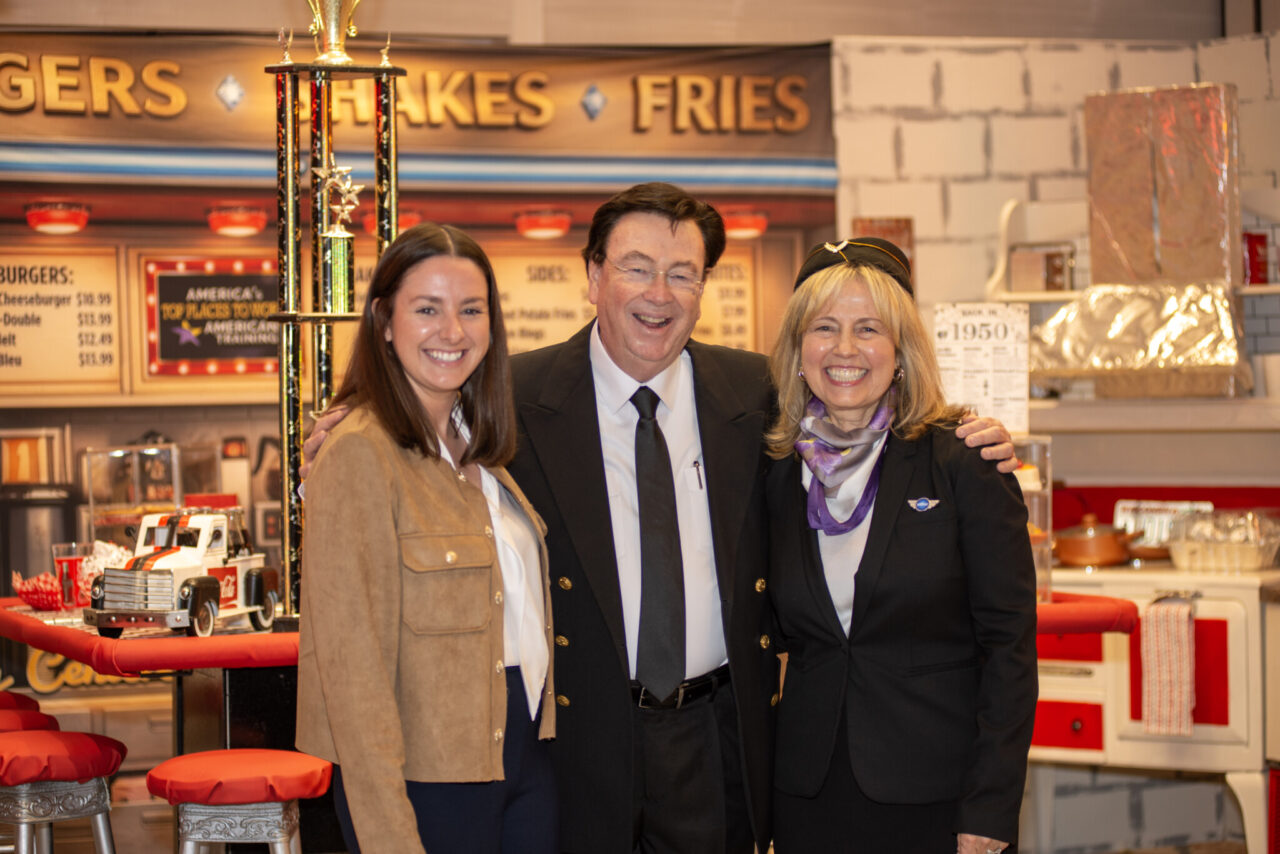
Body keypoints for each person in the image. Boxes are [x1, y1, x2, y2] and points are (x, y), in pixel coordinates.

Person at [306, 184, 1019, 853]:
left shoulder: (758, 395)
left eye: (683, 273)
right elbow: (419, 415)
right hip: (579, 745)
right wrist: (350, 426)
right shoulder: (514, 399)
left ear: (703, 289)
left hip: (717, 739)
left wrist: (967, 434)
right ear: (593, 276)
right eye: (637, 268)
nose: (659, 294)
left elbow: (856, 403)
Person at [763, 238, 1038, 854]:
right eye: (824, 327)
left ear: (901, 351)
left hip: (937, 797)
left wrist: (991, 809)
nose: (845, 348)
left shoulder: (962, 462)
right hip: (807, 796)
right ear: (798, 350)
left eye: (869, 328)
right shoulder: (774, 470)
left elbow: (1010, 649)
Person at [295, 223, 558, 854]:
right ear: (384, 322)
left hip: (525, 755)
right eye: (427, 309)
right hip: (426, 775)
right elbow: (353, 675)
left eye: (471, 309)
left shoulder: (485, 448)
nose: (453, 331)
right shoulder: (359, 452)